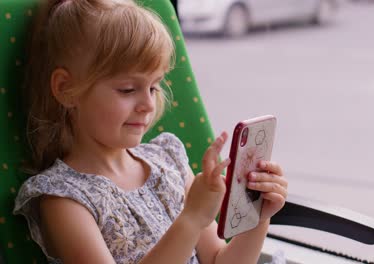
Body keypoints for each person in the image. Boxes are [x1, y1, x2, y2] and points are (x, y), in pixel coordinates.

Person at [13, 0, 288, 263]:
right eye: (128, 90)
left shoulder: (168, 161)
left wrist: (257, 218)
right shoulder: (63, 198)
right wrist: (191, 219)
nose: (147, 104)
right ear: (65, 89)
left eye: (154, 87)